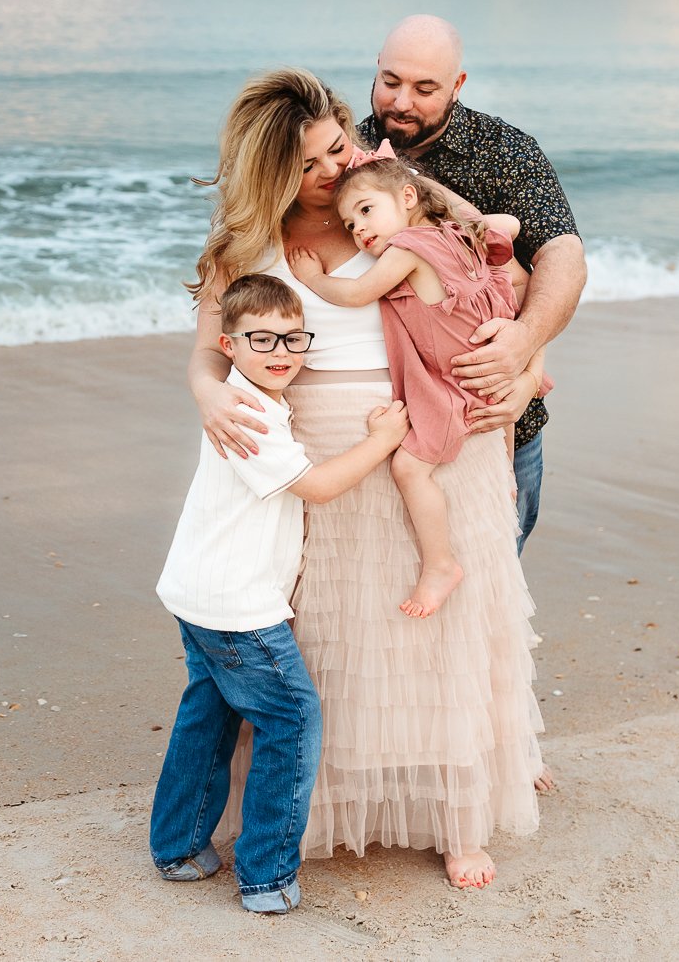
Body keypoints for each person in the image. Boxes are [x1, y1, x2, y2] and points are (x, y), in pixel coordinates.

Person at [190, 69, 545, 891]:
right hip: (315, 445)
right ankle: (315, 807)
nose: (335, 169)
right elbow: (210, 354)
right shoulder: (251, 243)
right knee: (329, 636)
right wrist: (211, 392)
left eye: (338, 146)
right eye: (312, 162)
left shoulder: (397, 201)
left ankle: (454, 815)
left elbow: (501, 275)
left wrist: (523, 366)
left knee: (440, 630)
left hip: (426, 425)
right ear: (276, 171)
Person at [151, 273, 410, 914]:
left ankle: (178, 847)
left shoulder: (246, 398)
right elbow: (316, 487)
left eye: (294, 338)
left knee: (207, 717)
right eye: (261, 338)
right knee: (292, 719)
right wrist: (380, 441)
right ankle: (265, 876)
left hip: (198, 589)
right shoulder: (250, 414)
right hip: (237, 606)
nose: (281, 351)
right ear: (228, 344)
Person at [358, 15, 586, 552]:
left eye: (425, 88)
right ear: (375, 69)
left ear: (458, 85)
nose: (402, 102)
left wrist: (524, 348)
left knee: (490, 598)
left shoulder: (503, 149)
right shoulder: (341, 145)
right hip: (383, 432)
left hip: (495, 416)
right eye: (391, 82)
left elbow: (563, 255)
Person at [289, 147, 544, 619]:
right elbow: (508, 223)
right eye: (349, 226)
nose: (359, 230)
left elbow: (357, 292)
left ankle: (440, 565)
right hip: (486, 368)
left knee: (410, 469)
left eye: (367, 211)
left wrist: (313, 278)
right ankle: (506, 475)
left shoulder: (408, 249)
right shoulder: (455, 234)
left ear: (408, 196)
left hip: (454, 382)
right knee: (499, 412)